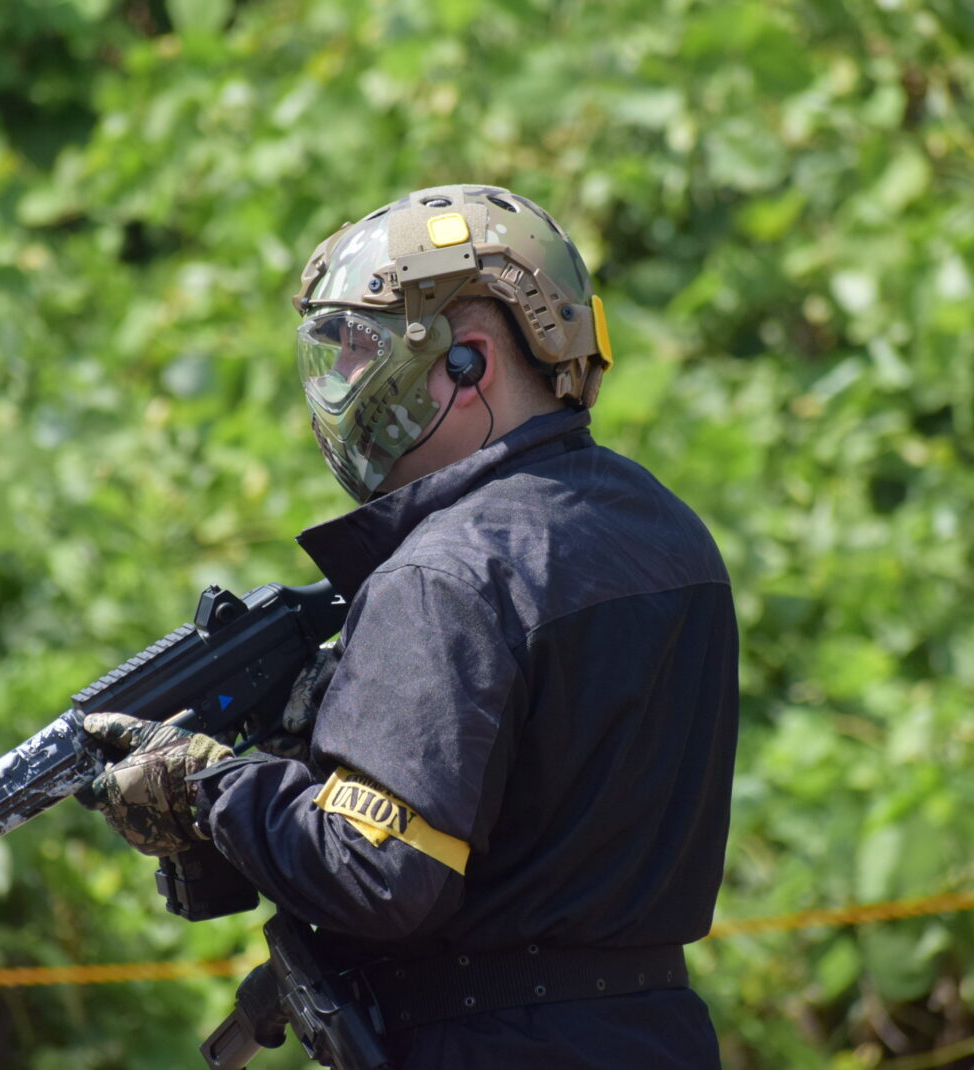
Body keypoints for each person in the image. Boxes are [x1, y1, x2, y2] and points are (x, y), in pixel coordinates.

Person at [83, 184, 738, 1068]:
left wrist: (210, 787)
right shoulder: (669, 531)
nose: (345, 382)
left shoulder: (444, 571)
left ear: (468, 363)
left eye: (363, 352)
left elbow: (379, 874)